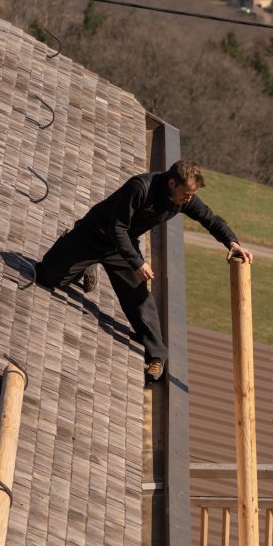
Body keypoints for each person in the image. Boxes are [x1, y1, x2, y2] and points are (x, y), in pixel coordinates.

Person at [34, 160, 253, 382]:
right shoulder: (140, 187)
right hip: (94, 234)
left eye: (191, 195)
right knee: (45, 276)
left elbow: (211, 219)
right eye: (186, 193)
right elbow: (116, 228)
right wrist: (138, 262)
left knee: (139, 298)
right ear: (172, 183)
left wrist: (232, 243)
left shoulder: (184, 199)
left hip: (122, 247)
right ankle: (83, 259)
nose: (189, 198)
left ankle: (157, 355)